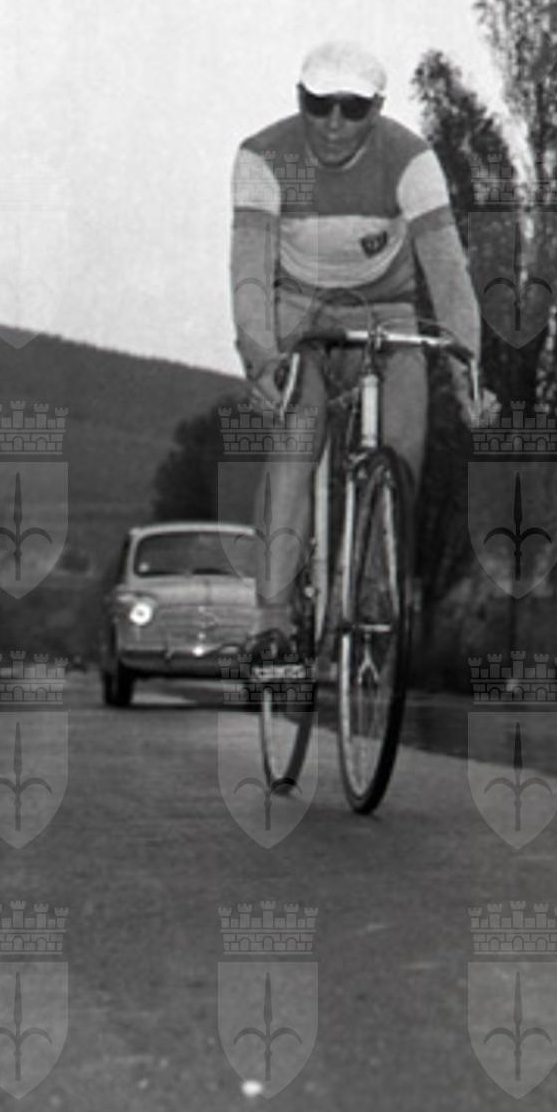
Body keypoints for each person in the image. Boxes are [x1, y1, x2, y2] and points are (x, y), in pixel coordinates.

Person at [231, 41, 483, 661]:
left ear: (378, 109)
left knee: (405, 441)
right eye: (320, 106)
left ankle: (374, 588)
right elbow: (250, 273)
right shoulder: (263, 156)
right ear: (300, 99)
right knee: (297, 433)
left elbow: (448, 272)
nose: (335, 123)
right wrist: (260, 358)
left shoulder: (410, 159)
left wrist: (467, 369)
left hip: (385, 308)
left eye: (353, 108)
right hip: (299, 310)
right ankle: (271, 619)